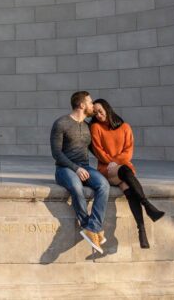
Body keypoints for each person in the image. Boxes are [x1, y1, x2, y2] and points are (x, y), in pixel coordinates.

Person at [89, 98, 164, 248]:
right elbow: (98, 151)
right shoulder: (96, 127)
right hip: (107, 169)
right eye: (95, 112)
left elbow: (128, 152)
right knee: (125, 170)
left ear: (107, 109)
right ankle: (148, 205)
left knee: (129, 191)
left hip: (123, 167)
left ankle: (141, 230)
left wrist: (116, 162)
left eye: (100, 111)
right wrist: (112, 163)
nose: (98, 114)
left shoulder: (125, 127)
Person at [50, 90, 110, 254]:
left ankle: (93, 226)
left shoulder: (88, 126)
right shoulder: (61, 123)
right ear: (82, 105)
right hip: (65, 169)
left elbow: (100, 145)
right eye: (90, 103)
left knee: (104, 185)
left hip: (85, 166)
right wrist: (75, 169)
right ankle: (86, 226)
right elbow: (56, 153)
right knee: (77, 187)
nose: (92, 106)